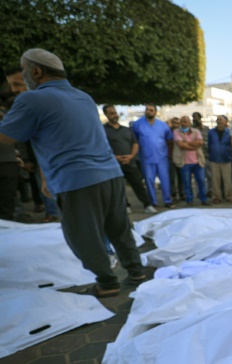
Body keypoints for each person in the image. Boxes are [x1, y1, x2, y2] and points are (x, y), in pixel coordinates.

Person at [0, 48, 145, 297]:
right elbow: (62, 137)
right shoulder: (84, 97)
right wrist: (46, 176)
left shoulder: (31, 99)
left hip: (77, 181)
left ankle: (107, 282)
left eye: (23, 71)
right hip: (110, 174)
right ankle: (137, 272)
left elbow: (6, 137)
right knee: (119, 228)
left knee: (84, 236)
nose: (22, 78)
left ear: (36, 71)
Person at [5, 66, 59, 222]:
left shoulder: (36, 102)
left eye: (18, 84)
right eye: (12, 86)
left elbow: (8, 135)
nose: (14, 90)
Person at [102, 105, 155, 214]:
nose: (114, 115)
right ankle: (125, 206)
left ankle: (147, 205)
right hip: (114, 164)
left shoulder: (126, 130)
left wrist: (131, 156)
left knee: (138, 185)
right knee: (119, 187)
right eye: (111, 113)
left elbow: (135, 144)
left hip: (130, 162)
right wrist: (115, 157)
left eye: (115, 112)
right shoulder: (102, 131)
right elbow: (101, 147)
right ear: (106, 115)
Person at [132, 103, 175, 208]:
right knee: (149, 180)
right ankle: (153, 202)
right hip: (146, 157)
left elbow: (169, 139)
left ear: (155, 112)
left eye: (151, 110)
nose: (148, 111)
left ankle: (167, 200)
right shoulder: (137, 124)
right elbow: (134, 139)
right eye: (147, 109)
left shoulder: (163, 125)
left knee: (165, 180)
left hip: (161, 157)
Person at [173, 115, 208, 206]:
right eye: (182, 121)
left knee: (201, 181)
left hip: (198, 161)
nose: (183, 123)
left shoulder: (196, 131)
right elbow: (181, 145)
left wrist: (186, 143)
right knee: (187, 183)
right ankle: (189, 201)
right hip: (184, 162)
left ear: (189, 123)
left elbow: (200, 142)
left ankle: (203, 199)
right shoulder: (176, 132)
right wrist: (193, 145)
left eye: (185, 121)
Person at [207, 115, 232, 203]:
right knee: (215, 181)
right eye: (218, 120)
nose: (219, 122)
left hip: (226, 159)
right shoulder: (211, 132)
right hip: (214, 159)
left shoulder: (230, 132)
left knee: (228, 180)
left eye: (221, 120)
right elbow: (209, 144)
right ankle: (216, 197)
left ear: (226, 122)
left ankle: (229, 196)